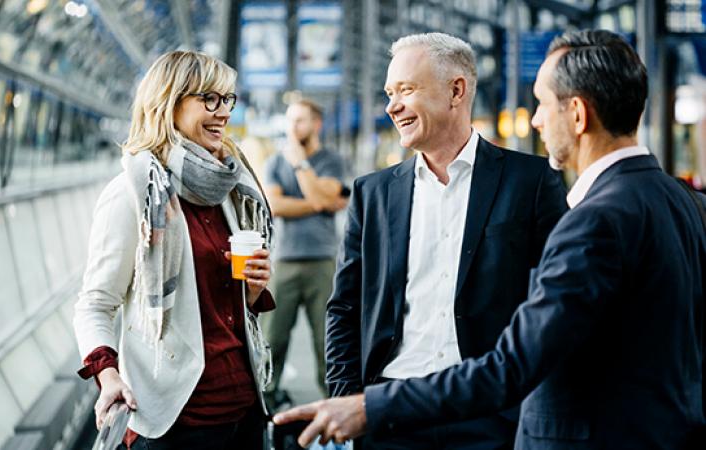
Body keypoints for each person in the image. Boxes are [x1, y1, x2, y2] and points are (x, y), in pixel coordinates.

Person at [274, 30, 706, 449]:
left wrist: (367, 408)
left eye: (541, 104)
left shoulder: (587, 215)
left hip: (505, 420)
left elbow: (517, 361)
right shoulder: (687, 201)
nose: (535, 119)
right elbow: (346, 306)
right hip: (398, 420)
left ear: (577, 114)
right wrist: (356, 397)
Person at [322, 32, 567, 449]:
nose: (392, 106)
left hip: (490, 415)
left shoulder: (532, 182)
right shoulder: (373, 194)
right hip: (390, 415)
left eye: (406, 90)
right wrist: (350, 398)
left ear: (456, 90)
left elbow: (552, 306)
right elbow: (345, 306)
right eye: (388, 93)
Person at [74, 50, 275, 450]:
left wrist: (250, 291)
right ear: (169, 101)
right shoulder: (133, 194)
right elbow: (95, 303)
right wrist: (108, 376)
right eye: (209, 99)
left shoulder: (226, 190)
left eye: (228, 99)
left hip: (244, 407)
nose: (223, 112)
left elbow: (228, 309)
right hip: (177, 421)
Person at [263, 99, 348, 408]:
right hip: (283, 261)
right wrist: (320, 202)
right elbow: (274, 205)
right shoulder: (274, 162)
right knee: (273, 338)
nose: (292, 127)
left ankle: (335, 405)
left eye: (299, 120)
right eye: (290, 121)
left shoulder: (331, 161)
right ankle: (267, 404)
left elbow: (318, 194)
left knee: (328, 340)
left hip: (323, 262)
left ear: (316, 124)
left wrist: (300, 162)